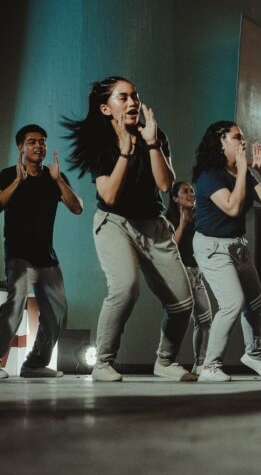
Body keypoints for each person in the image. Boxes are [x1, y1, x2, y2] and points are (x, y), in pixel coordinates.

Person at [65, 76, 195, 382]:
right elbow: (108, 194)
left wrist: (151, 143)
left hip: (154, 224)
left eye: (135, 96)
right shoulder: (100, 142)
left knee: (182, 302)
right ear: (106, 109)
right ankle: (103, 363)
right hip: (114, 222)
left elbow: (165, 185)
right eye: (123, 98)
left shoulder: (155, 134)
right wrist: (124, 151)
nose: (133, 102)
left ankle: (165, 361)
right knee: (125, 288)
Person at [0, 124, 83, 379]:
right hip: (18, 254)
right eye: (32, 142)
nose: (39, 146)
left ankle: (34, 364)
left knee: (57, 312)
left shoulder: (53, 176)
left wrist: (59, 181)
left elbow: (77, 207)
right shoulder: (7, 174)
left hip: (46, 255)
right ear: (21, 147)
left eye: (42, 142)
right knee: (15, 304)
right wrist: (17, 181)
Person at [191, 121, 261, 382]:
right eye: (237, 137)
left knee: (256, 301)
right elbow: (231, 207)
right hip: (211, 246)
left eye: (243, 136)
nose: (244, 141)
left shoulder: (244, 174)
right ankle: (209, 366)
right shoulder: (209, 176)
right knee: (232, 302)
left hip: (237, 245)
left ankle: (253, 354)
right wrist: (242, 172)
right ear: (221, 143)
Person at [165, 181, 212, 375]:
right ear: (175, 197)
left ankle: (200, 363)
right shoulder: (168, 219)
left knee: (205, 319)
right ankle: (166, 361)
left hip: (195, 272)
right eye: (185, 191)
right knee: (177, 317)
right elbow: (170, 246)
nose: (191, 194)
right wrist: (183, 223)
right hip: (178, 272)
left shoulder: (199, 218)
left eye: (192, 190)